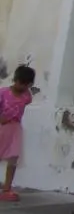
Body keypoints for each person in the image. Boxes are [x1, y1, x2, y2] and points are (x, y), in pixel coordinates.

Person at [0, 64, 35, 203]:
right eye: (21, 83)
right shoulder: (3, 93)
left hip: (15, 129)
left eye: (27, 85)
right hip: (2, 127)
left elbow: (27, 100)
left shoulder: (27, 96)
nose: (22, 87)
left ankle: (7, 188)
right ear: (15, 80)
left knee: (13, 158)